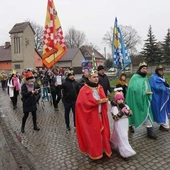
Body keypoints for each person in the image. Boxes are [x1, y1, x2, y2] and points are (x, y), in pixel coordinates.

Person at [76, 69, 112, 160]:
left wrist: (103, 101)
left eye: (97, 77)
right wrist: (97, 102)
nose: (96, 79)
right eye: (94, 77)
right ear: (89, 78)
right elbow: (81, 104)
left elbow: (103, 98)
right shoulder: (84, 89)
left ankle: (103, 149)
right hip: (91, 117)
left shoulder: (100, 87)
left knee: (102, 133)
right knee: (94, 135)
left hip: (100, 115)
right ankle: (95, 152)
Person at [126, 62, 157, 139]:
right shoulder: (135, 77)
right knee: (133, 114)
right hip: (136, 100)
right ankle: (130, 127)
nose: (145, 70)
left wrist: (148, 93)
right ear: (140, 69)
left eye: (146, 68)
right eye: (143, 68)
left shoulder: (145, 78)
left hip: (145, 100)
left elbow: (147, 86)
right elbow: (132, 89)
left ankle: (150, 131)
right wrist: (143, 93)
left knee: (147, 114)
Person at [110, 93, 136, 161]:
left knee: (122, 136)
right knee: (122, 137)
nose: (121, 101)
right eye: (118, 99)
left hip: (125, 122)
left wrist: (127, 112)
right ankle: (125, 153)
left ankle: (114, 144)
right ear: (116, 100)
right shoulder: (114, 108)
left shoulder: (126, 106)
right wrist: (121, 112)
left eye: (121, 99)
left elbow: (130, 114)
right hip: (119, 123)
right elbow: (115, 118)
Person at [150, 65, 170, 131]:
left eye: (162, 70)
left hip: (163, 97)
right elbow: (156, 87)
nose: (162, 71)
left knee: (164, 110)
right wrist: (166, 88)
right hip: (157, 98)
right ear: (157, 71)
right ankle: (162, 124)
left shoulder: (162, 77)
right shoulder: (153, 77)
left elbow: (165, 84)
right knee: (159, 110)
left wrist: (167, 87)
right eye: (160, 70)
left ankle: (163, 124)